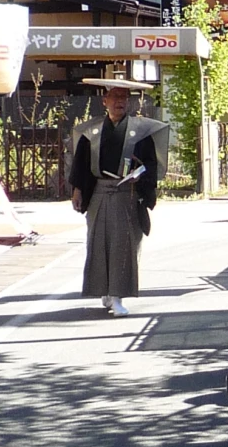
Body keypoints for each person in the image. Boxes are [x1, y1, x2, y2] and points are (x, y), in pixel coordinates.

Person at [67, 78, 166, 317]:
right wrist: (77, 190)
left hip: (127, 193)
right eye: (115, 97)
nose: (120, 102)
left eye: (124, 98)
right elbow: (80, 163)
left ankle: (118, 296)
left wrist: (140, 176)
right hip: (99, 192)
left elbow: (151, 164)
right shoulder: (92, 131)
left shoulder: (141, 131)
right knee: (98, 242)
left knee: (124, 245)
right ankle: (104, 290)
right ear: (105, 101)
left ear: (130, 102)